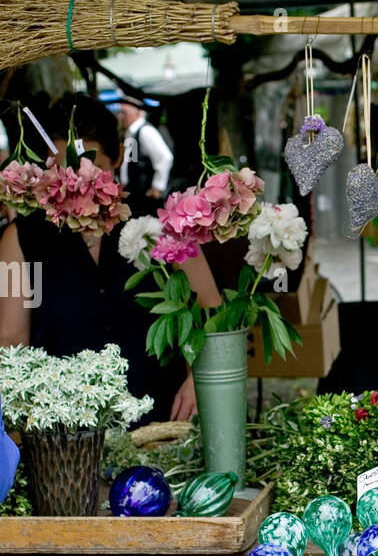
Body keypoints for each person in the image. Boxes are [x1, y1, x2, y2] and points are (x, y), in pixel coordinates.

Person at [0, 93, 219, 422]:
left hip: (163, 424)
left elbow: (210, 309)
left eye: (92, 172)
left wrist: (198, 379)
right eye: (65, 173)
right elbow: (10, 340)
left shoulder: (164, 225)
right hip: (67, 438)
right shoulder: (19, 240)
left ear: (117, 158)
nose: (78, 188)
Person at [115, 97, 174, 218]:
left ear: (137, 111)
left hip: (145, 197)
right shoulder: (131, 132)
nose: (121, 117)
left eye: (124, 113)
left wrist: (157, 186)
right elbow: (132, 161)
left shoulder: (146, 131)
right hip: (134, 194)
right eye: (120, 113)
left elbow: (165, 157)